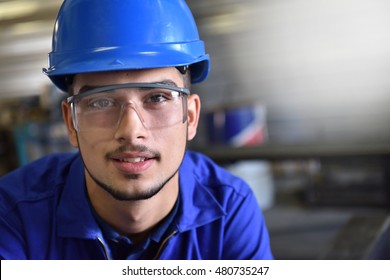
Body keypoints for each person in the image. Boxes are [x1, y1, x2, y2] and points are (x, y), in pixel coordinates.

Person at [0, 0, 273, 260]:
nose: (131, 131)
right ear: (71, 122)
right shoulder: (13, 214)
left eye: (157, 98)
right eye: (101, 102)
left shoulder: (229, 211)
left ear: (190, 116)